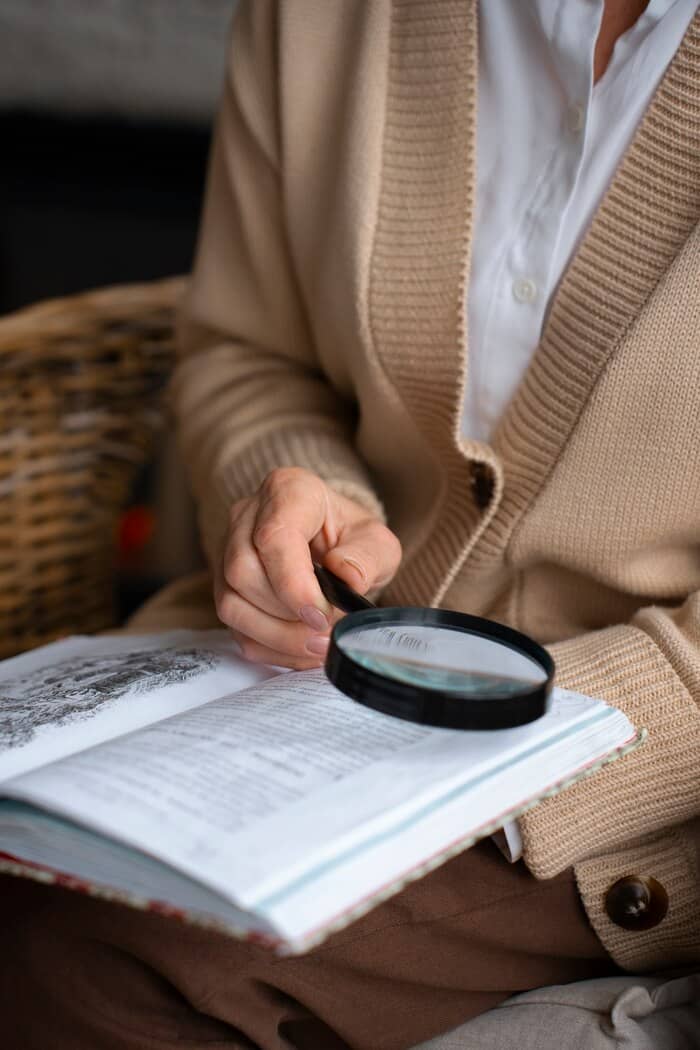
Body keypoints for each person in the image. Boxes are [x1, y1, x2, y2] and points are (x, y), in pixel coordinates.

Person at [3, 1, 699, 1047]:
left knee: (84, 960)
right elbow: (243, 347)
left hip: (629, 775)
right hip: (279, 679)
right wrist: (294, 485)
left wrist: (536, 725)